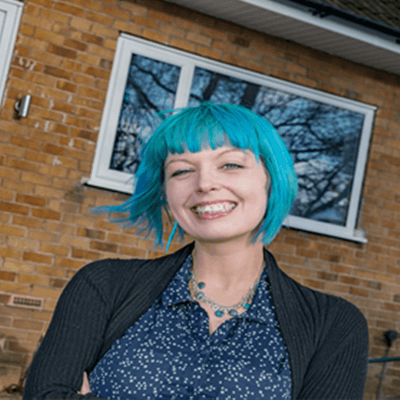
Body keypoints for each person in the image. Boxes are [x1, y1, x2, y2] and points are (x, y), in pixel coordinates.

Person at [23, 103, 369, 400]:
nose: (204, 184)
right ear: (166, 193)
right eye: (182, 171)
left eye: (230, 164)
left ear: (270, 178)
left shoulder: (334, 324)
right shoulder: (102, 286)